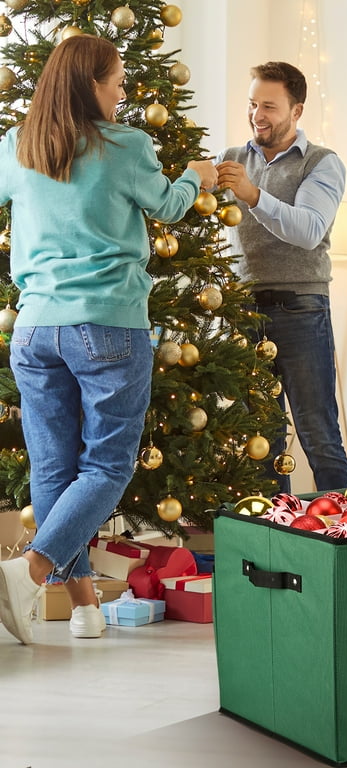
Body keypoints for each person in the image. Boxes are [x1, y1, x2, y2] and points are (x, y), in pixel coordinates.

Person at [0, 35, 217, 644]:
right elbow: (168, 207)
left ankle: (84, 609)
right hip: (106, 325)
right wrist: (195, 175)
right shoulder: (126, 145)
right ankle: (30, 572)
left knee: (52, 468)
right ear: (89, 84)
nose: (123, 91)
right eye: (116, 81)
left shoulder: (18, 146)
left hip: (35, 326)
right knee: (107, 465)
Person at [215, 61, 347, 494]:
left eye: (269, 106)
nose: (258, 114)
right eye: (253, 104)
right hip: (243, 309)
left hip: (301, 306)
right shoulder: (231, 159)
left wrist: (253, 195)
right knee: (260, 439)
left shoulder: (322, 163)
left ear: (296, 111)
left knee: (318, 433)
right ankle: (274, 551)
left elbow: (309, 231)